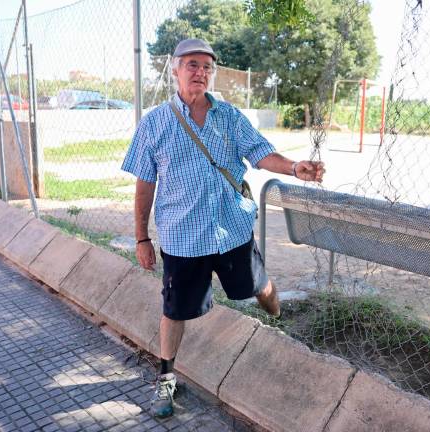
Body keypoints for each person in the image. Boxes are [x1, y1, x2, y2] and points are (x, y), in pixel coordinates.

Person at [121, 38, 325, 418]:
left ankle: (279, 318)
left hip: (231, 229)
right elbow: (144, 184)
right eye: (193, 65)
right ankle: (166, 379)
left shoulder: (229, 117)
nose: (200, 72)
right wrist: (141, 237)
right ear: (176, 69)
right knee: (175, 310)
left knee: (259, 285)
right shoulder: (154, 124)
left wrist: (295, 167)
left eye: (207, 67)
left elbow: (261, 153)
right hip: (183, 239)